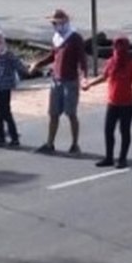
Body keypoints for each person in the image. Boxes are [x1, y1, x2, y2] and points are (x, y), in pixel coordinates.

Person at [83, 36, 132, 167]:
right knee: (108, 130)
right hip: (112, 103)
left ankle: (122, 158)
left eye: (121, 46)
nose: (118, 49)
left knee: (124, 131)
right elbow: (104, 77)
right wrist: (90, 84)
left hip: (127, 104)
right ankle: (109, 157)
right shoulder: (111, 62)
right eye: (117, 46)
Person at [31, 9, 87, 154]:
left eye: (56, 23)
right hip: (56, 80)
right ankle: (50, 143)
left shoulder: (75, 38)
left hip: (70, 81)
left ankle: (75, 144)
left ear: (64, 23)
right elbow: (52, 56)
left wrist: (84, 77)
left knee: (71, 113)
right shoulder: (57, 38)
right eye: (53, 23)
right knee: (53, 113)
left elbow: (82, 61)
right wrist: (38, 64)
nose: (54, 26)